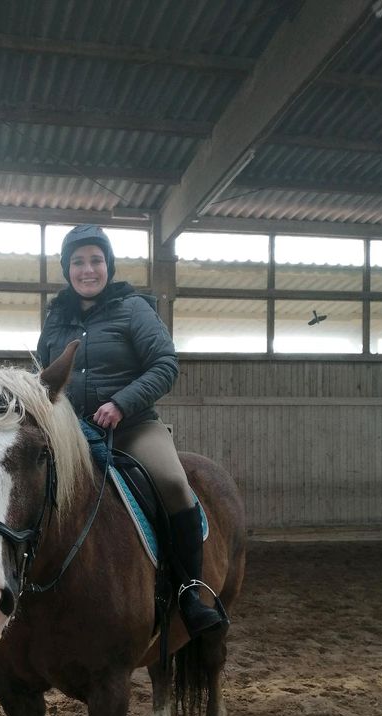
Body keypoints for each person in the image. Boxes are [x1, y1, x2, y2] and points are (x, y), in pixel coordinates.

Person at [36, 223, 225, 639]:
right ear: (67, 269)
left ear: (109, 265)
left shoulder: (134, 308)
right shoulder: (55, 319)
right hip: (71, 432)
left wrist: (121, 403)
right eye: (79, 262)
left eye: (96, 261)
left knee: (174, 483)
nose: (88, 270)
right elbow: (44, 375)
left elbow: (165, 365)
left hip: (132, 427)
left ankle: (191, 591)